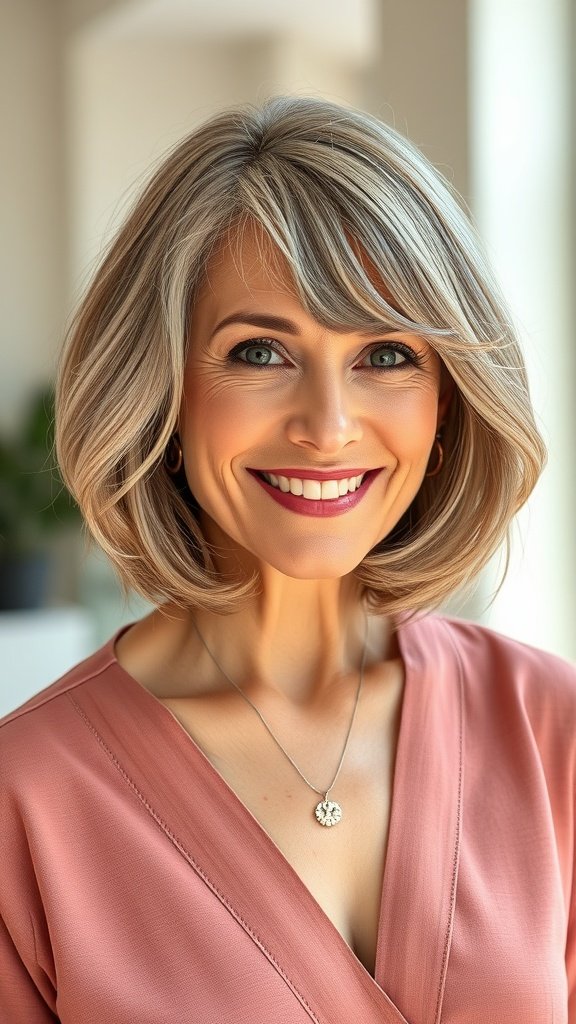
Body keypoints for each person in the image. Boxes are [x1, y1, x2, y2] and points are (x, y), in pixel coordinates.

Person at [0, 94, 574, 1024]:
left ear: (447, 406)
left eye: (386, 355)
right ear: (164, 391)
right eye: (261, 351)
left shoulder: (551, 731)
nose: (329, 426)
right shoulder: (26, 801)